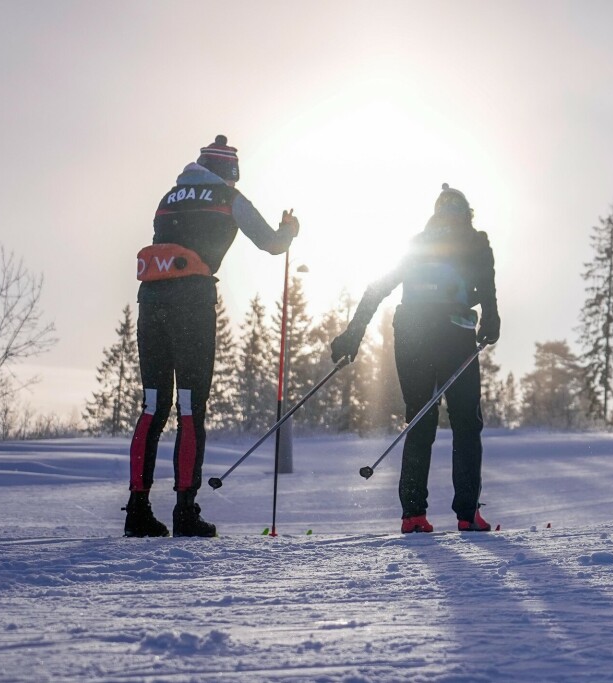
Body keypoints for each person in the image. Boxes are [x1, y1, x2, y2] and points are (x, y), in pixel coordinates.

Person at [123, 135, 300, 538]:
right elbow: (271, 242)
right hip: (192, 301)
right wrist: (288, 231)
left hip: (150, 300)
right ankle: (185, 510)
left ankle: (137, 508)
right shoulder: (227, 196)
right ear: (229, 172)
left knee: (152, 404)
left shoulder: (168, 197)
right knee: (189, 404)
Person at [331, 183, 500, 533]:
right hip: (454, 330)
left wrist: (354, 333)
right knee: (466, 423)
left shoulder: (417, 243)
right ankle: (468, 514)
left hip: (412, 331)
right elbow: (487, 286)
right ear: (466, 214)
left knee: (420, 418)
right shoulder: (476, 240)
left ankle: (413, 515)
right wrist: (490, 320)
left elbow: (378, 287)